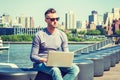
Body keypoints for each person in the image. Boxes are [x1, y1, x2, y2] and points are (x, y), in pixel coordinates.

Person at [30, 8, 80, 80]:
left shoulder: (62, 35)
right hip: (41, 63)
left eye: (57, 19)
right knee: (55, 70)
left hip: (56, 62)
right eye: (52, 19)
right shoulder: (39, 35)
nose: (55, 21)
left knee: (75, 69)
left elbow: (66, 53)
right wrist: (44, 59)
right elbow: (33, 56)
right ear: (46, 20)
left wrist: (65, 60)